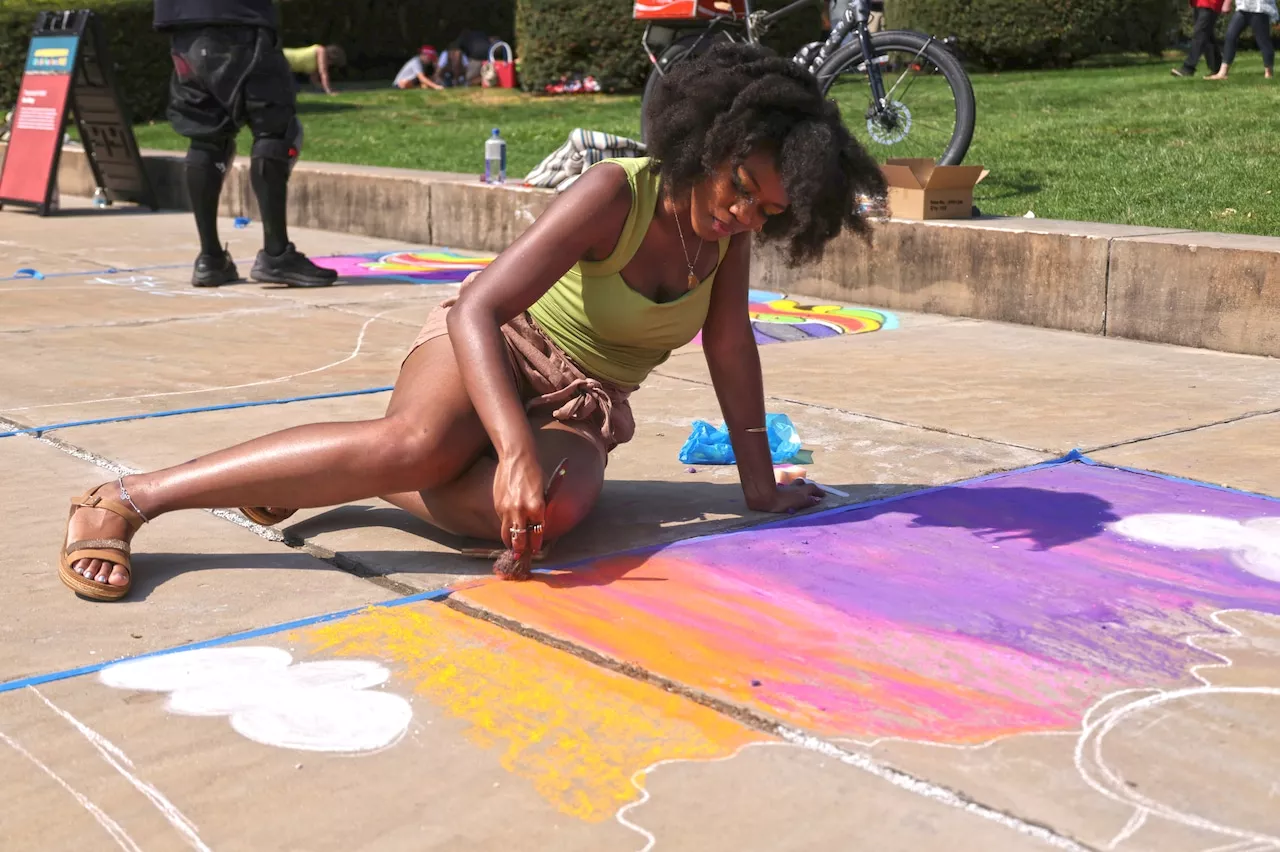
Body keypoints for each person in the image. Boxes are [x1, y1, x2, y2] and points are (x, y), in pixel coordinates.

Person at [54, 43, 887, 602]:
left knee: (547, 517)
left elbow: (731, 346)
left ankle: (340, 479)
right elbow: (483, 306)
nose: (743, 213)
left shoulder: (725, 242)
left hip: (579, 398)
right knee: (419, 447)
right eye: (740, 185)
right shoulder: (615, 194)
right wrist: (514, 448)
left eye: (766, 209)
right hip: (495, 344)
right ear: (711, 142)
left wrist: (756, 484)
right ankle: (130, 497)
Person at [153, 0, 338, 288]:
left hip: (183, 28)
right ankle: (276, 254)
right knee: (277, 132)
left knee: (206, 136)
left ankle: (210, 259)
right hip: (240, 20)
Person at [1206, 0, 1277, 79]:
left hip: (1259, 9)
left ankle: (1269, 73)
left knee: (1263, 41)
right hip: (1243, 8)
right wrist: (1227, 3)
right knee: (1230, 36)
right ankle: (1223, 73)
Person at [1173, 0, 1226, 76]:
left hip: (1210, 3)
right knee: (1207, 36)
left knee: (1200, 33)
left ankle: (1188, 67)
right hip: (1198, 3)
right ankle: (1217, 68)